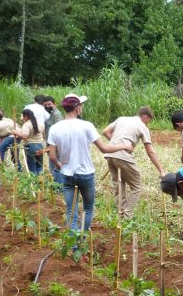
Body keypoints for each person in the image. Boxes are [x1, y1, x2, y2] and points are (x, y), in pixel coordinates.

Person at [47, 93, 131, 232]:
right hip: (86, 174)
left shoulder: (55, 128)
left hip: (67, 174)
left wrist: (60, 166)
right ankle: (83, 239)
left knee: (71, 212)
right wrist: (124, 146)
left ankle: (74, 246)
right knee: (88, 210)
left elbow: (52, 156)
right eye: (81, 106)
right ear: (77, 108)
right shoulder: (86, 126)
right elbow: (104, 148)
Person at [102, 107, 166, 219]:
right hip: (124, 157)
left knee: (119, 185)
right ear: (145, 117)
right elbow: (150, 151)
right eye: (148, 121)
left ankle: (121, 215)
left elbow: (105, 132)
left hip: (110, 155)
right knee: (136, 186)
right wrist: (161, 170)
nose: (148, 123)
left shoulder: (121, 119)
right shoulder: (142, 126)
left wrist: (116, 146)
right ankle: (128, 215)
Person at [11, 108, 45, 175]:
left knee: (32, 167)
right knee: (40, 166)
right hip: (40, 145)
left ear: (26, 116)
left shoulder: (27, 125)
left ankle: (34, 182)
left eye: (23, 116)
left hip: (31, 147)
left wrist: (16, 133)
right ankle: (41, 182)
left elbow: (25, 136)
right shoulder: (40, 123)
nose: (22, 118)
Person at [41, 96, 64, 182]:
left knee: (56, 169)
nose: (47, 107)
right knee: (53, 168)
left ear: (54, 104)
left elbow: (60, 133)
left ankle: (58, 188)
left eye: (49, 104)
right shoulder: (51, 116)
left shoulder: (57, 115)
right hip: (51, 146)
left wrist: (55, 148)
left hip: (56, 148)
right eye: (45, 105)